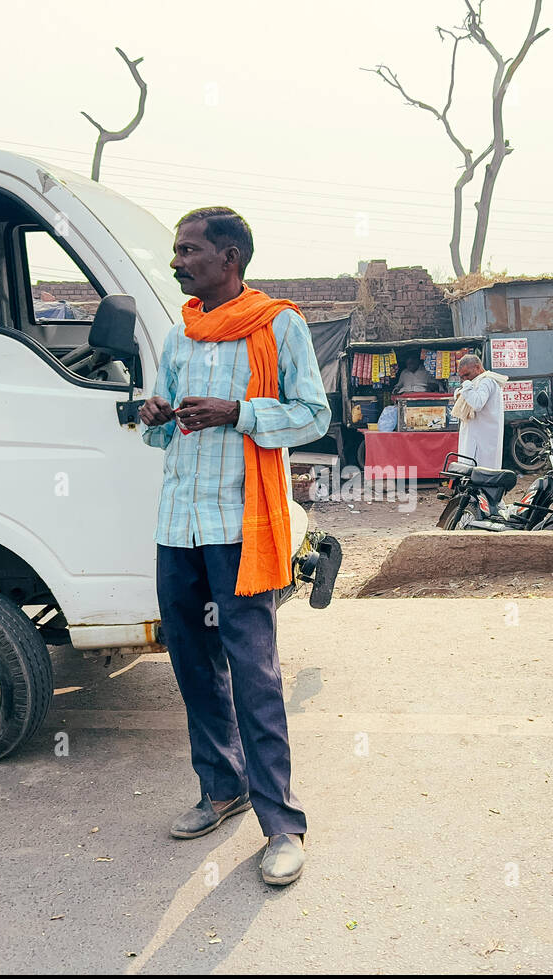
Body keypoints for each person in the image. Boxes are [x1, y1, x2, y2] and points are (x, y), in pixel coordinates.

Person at [138, 206, 330, 887]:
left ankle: (282, 824)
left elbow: (313, 414)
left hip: (241, 529)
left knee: (254, 673)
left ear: (230, 257)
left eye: (188, 250)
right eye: (176, 249)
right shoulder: (181, 333)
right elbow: (158, 432)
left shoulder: (280, 324)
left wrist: (239, 412)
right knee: (192, 665)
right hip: (179, 527)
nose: (177, 260)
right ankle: (222, 787)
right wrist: (153, 414)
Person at [452, 353, 508, 468]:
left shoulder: (486, 381)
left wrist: (466, 387)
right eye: (462, 377)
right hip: (473, 439)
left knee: (483, 474)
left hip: (483, 442)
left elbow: (477, 403)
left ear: (477, 368)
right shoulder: (476, 382)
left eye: (467, 375)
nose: (465, 379)